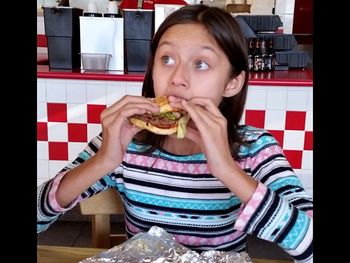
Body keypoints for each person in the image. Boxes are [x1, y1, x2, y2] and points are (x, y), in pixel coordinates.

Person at [37, 4, 313, 262]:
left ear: (232, 82)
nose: (177, 78)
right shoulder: (125, 140)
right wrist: (103, 162)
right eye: (167, 59)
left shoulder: (256, 149)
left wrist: (228, 170)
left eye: (201, 63)